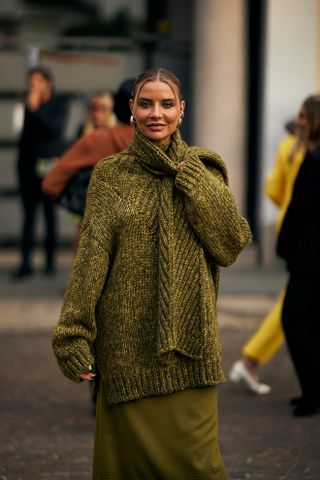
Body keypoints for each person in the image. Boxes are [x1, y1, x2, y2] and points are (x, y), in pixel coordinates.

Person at [52, 67, 252, 479]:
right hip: (125, 349)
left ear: (182, 110)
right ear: (131, 110)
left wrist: (191, 179)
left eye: (165, 104)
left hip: (190, 348)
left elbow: (231, 244)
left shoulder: (205, 170)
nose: (155, 113)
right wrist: (73, 333)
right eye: (146, 104)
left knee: (199, 466)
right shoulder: (110, 176)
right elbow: (91, 260)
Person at [229, 120, 304, 394]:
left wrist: (287, 204)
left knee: (298, 298)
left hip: (292, 228)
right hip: (310, 235)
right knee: (296, 300)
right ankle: (252, 357)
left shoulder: (288, 146)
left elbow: (273, 189)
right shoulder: (308, 150)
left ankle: (252, 358)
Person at [42, 83, 132, 250]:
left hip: (97, 242)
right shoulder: (166, 148)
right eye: (93, 108)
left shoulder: (98, 140)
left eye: (102, 108)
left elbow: (51, 183)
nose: (97, 113)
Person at [277, 94, 320, 417]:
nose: (299, 122)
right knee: (311, 320)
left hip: (310, 255)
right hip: (311, 254)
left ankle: (312, 393)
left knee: (293, 318)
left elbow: (299, 210)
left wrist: (283, 245)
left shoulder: (315, 160)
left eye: (304, 116)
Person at [13, 65, 68, 279]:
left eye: (36, 82)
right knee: (28, 215)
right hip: (27, 166)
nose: (32, 87)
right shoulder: (27, 105)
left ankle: (49, 263)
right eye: (30, 83)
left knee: (48, 213)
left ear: (48, 83)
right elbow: (23, 134)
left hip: (49, 166)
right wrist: (30, 109)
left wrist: (35, 110)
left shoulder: (58, 104)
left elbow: (53, 129)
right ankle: (26, 263)